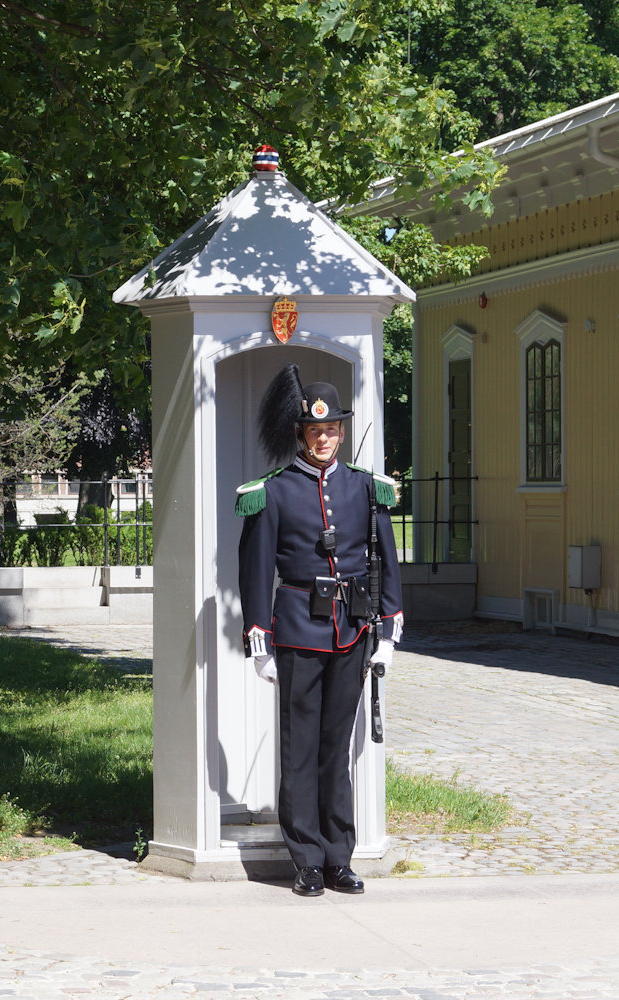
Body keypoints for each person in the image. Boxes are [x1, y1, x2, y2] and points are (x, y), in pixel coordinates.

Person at [235, 363, 402, 898]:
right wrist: (258, 636)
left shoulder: (364, 489)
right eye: (315, 431)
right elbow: (256, 567)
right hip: (298, 632)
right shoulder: (274, 492)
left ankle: (338, 857)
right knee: (300, 748)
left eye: (331, 431)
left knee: (338, 749)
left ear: (343, 432)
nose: (324, 439)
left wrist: (388, 635)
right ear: (301, 435)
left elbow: (387, 563)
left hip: (351, 630)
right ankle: (305, 858)